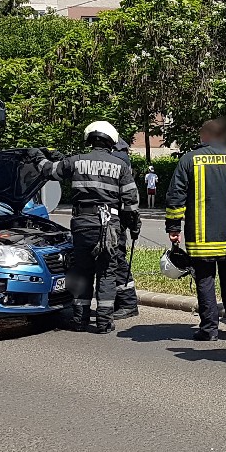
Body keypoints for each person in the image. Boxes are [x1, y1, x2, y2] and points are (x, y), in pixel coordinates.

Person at [33, 121, 140, 334]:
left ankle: (80, 320)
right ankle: (103, 322)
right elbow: (131, 203)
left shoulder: (76, 161)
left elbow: (49, 171)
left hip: (82, 224)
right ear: (112, 140)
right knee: (107, 273)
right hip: (109, 226)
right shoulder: (121, 165)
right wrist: (132, 227)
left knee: (81, 272)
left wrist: (38, 155)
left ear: (90, 139)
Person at [164, 119, 226, 342]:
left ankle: (209, 328)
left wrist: (174, 227)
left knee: (205, 280)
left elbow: (176, 195)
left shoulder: (188, 160)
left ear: (203, 137)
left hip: (200, 238)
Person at [111, 139, 140, 320]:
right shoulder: (123, 158)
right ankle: (119, 300)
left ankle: (128, 303)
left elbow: (126, 196)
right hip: (119, 218)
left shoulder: (117, 158)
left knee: (117, 260)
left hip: (116, 219)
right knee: (115, 259)